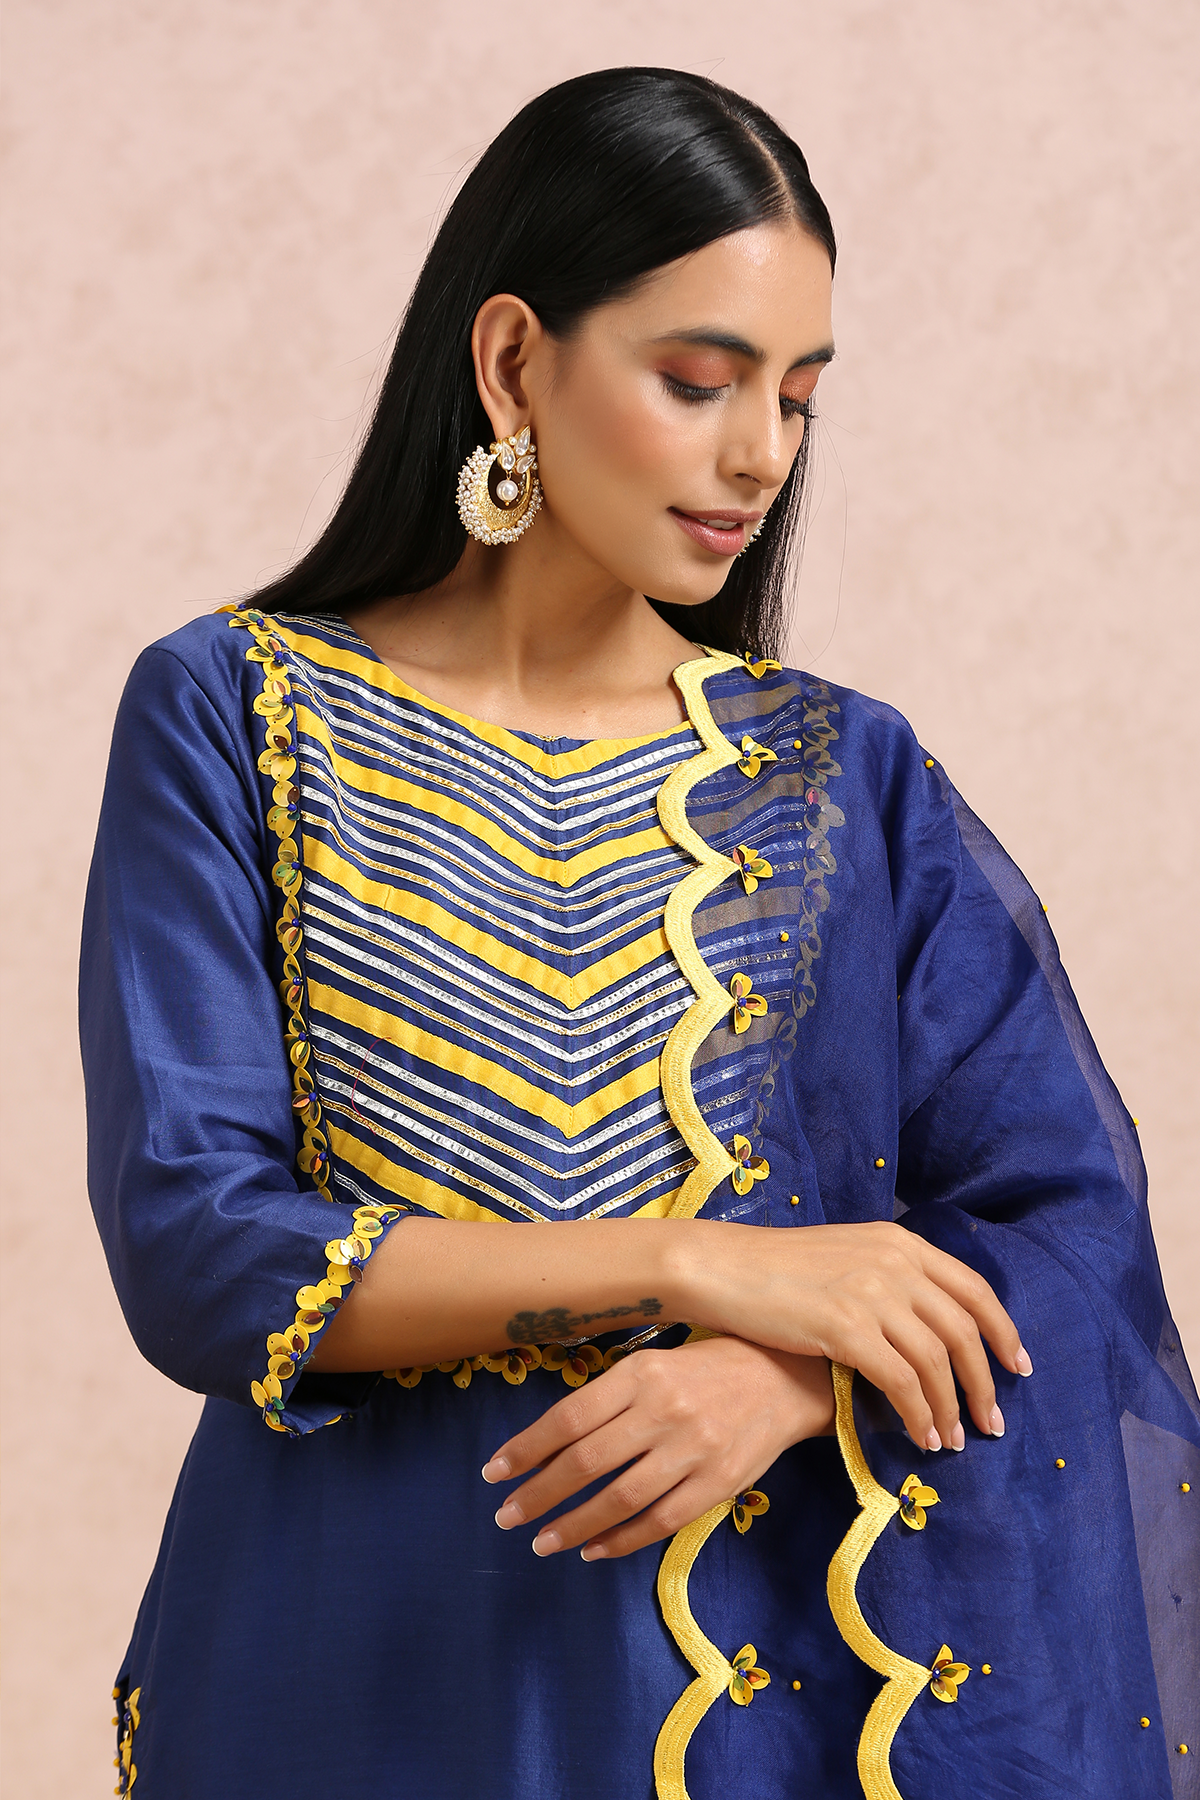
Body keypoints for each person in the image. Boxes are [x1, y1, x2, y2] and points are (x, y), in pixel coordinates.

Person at [81, 67, 1197, 1800]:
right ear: (513, 361)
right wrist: (690, 1264)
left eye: (800, 398)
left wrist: (795, 1379)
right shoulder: (235, 711)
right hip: (345, 1671)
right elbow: (199, 1248)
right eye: (699, 380)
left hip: (763, 1698)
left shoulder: (845, 779)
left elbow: (1066, 1226)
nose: (762, 454)